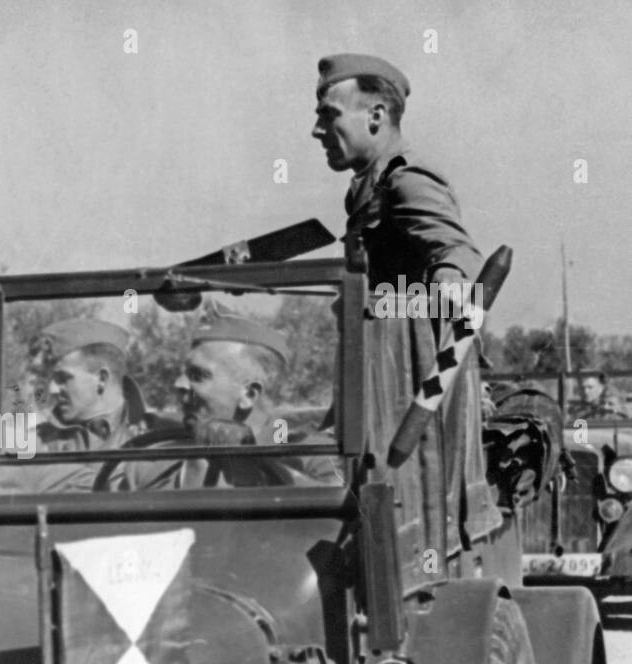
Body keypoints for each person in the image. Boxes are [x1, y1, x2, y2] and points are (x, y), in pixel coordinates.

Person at [312, 53, 483, 298]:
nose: (316, 130)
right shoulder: (367, 189)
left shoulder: (406, 178)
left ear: (375, 116)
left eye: (329, 115)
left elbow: (455, 248)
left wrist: (451, 275)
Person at [0, 317, 173, 494]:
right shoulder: (35, 442)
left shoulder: (164, 437)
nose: (52, 389)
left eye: (63, 378)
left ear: (101, 378)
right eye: (50, 379)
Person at [170, 310, 342, 486]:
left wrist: (252, 461)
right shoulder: (162, 454)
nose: (179, 384)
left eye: (198, 375)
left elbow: (340, 500)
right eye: (182, 374)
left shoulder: (309, 453)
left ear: (249, 394)